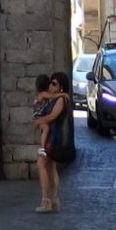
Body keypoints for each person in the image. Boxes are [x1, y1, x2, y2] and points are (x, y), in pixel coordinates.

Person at [32, 72, 70, 212]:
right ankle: (54, 199)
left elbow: (52, 117)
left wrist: (38, 121)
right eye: (50, 83)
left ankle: (46, 200)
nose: (51, 86)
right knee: (51, 167)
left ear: (61, 87)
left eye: (54, 84)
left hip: (53, 137)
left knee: (41, 164)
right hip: (52, 135)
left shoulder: (60, 100)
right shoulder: (56, 98)